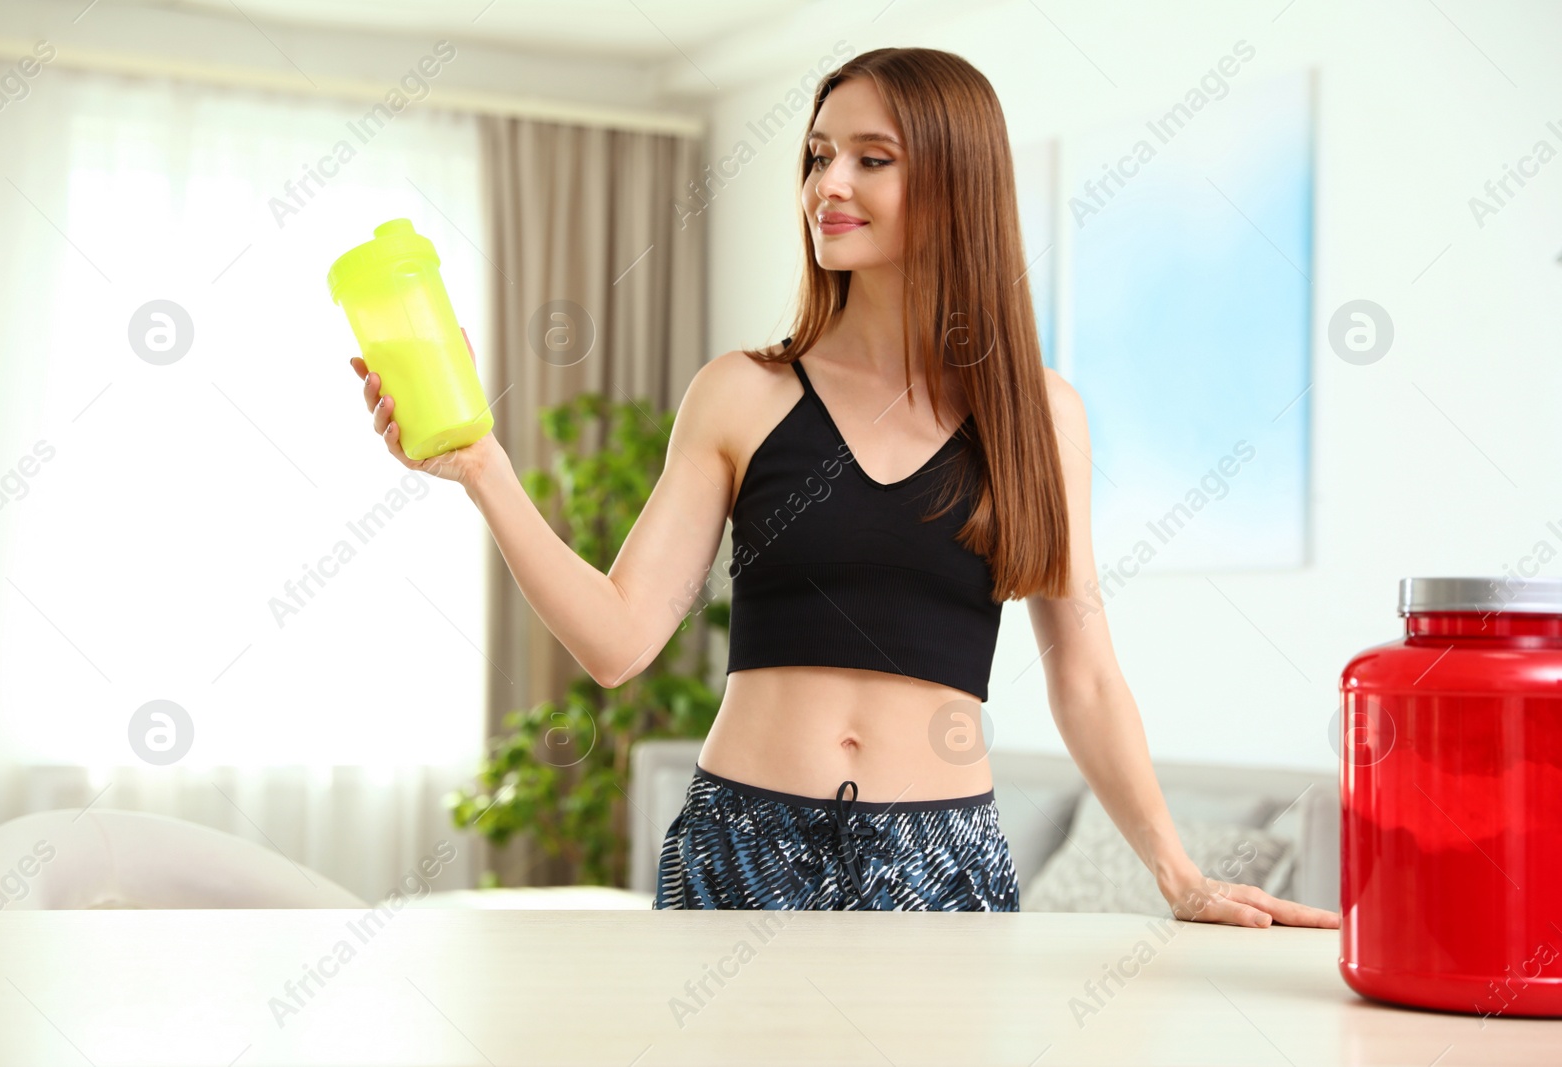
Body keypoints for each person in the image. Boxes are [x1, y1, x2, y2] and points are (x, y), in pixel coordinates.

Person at [350, 46, 1340, 928]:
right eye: (819, 154)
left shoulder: (1038, 414)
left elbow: (1082, 673)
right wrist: (481, 468)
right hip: (743, 841)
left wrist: (1177, 871)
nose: (829, 181)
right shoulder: (742, 391)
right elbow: (615, 640)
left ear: (955, 184)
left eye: (872, 158)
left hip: (940, 858)